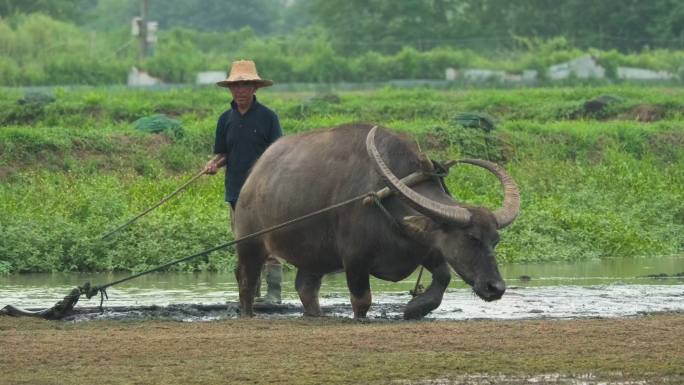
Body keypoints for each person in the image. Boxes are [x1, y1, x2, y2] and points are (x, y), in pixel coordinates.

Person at [203, 60, 283, 304]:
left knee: (269, 244)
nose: (240, 91)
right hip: (236, 192)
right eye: (236, 86)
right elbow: (224, 152)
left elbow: (278, 154)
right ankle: (250, 295)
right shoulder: (225, 119)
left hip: (264, 193)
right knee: (244, 245)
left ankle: (273, 295)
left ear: (254, 88)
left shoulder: (269, 117)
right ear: (230, 90)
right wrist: (213, 164)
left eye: (245, 85)